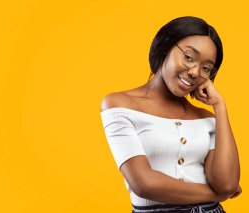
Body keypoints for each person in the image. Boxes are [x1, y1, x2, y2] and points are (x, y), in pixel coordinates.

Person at [100, 16, 241, 213]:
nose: (194, 72)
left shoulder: (206, 118)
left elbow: (227, 183)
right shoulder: (119, 105)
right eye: (189, 57)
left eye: (206, 68)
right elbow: (143, 184)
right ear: (166, 47)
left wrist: (220, 106)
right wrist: (217, 195)